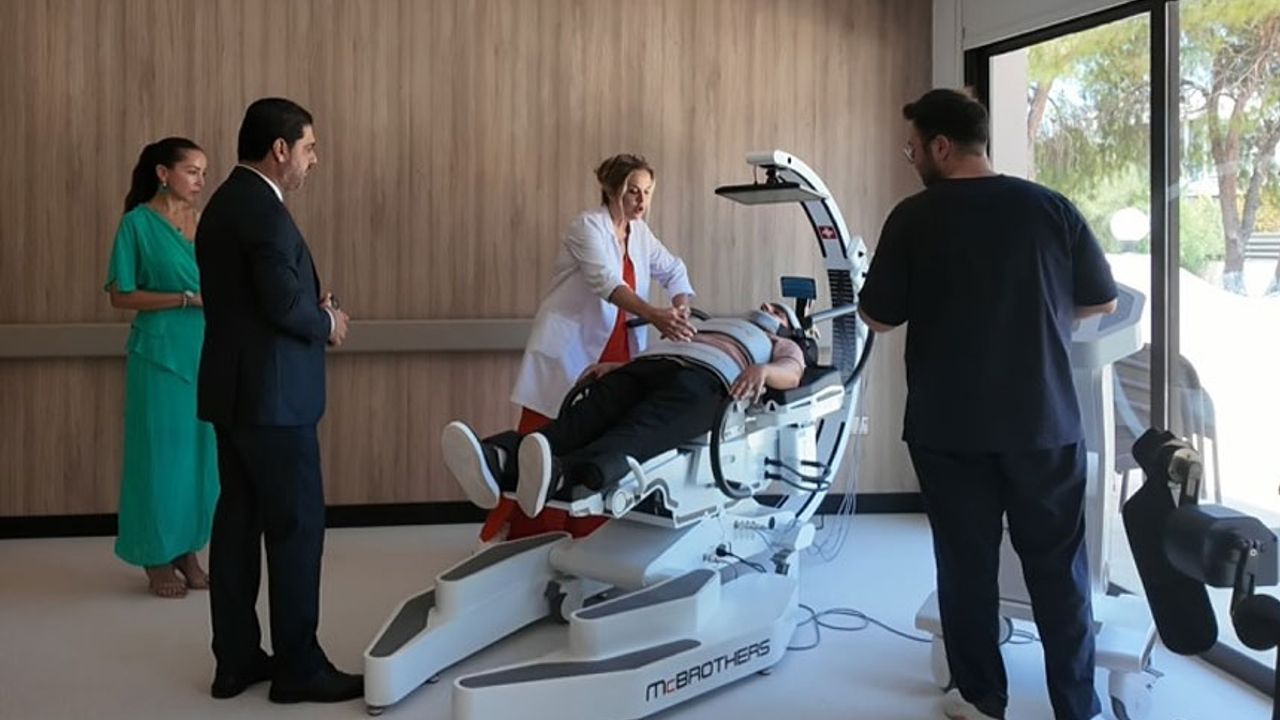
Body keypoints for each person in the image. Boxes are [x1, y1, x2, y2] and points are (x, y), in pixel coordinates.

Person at [857, 88, 1118, 720]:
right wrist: (1043, 320)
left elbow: (879, 317)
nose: (913, 159)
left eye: (913, 149)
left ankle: (981, 699)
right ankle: (1077, 707)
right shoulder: (1051, 208)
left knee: (966, 567)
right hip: (1044, 423)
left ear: (941, 147)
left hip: (950, 429)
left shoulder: (913, 217)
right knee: (1059, 571)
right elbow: (1101, 300)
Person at [195, 97, 359, 704]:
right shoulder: (264, 210)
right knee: (295, 530)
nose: (315, 159)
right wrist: (329, 321)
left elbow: (252, 299)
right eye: (309, 147)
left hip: (234, 395)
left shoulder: (223, 203)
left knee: (237, 527)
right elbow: (283, 304)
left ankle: (235, 661)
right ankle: (299, 669)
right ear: (280, 148)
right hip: (276, 401)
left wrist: (309, 307)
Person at [480, 153, 698, 541]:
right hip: (571, 352)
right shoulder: (586, 227)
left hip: (619, 352)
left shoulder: (640, 234)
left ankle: (583, 536)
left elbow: (674, 270)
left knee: (597, 441)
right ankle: (526, 536)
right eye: (633, 192)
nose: (642, 201)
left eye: (648, 192)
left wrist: (680, 310)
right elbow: (606, 283)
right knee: (542, 443)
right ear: (612, 190)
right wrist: (656, 315)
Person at [444, 304, 804, 516]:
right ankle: (499, 459)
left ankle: (563, 474)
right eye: (768, 305)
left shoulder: (778, 343)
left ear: (788, 328)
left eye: (777, 311)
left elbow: (793, 372)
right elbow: (670, 346)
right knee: (582, 418)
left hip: (707, 381)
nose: (767, 307)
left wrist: (763, 371)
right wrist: (618, 367)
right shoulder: (713, 324)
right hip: (651, 366)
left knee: (638, 430)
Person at [105, 137, 218, 599]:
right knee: (158, 456)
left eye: (204, 173)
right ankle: (155, 554)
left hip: (204, 349)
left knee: (199, 456)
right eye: (192, 171)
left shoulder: (205, 223)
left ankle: (187, 550)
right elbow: (120, 294)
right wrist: (184, 299)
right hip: (158, 354)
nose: (200, 181)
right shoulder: (136, 224)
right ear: (163, 173)